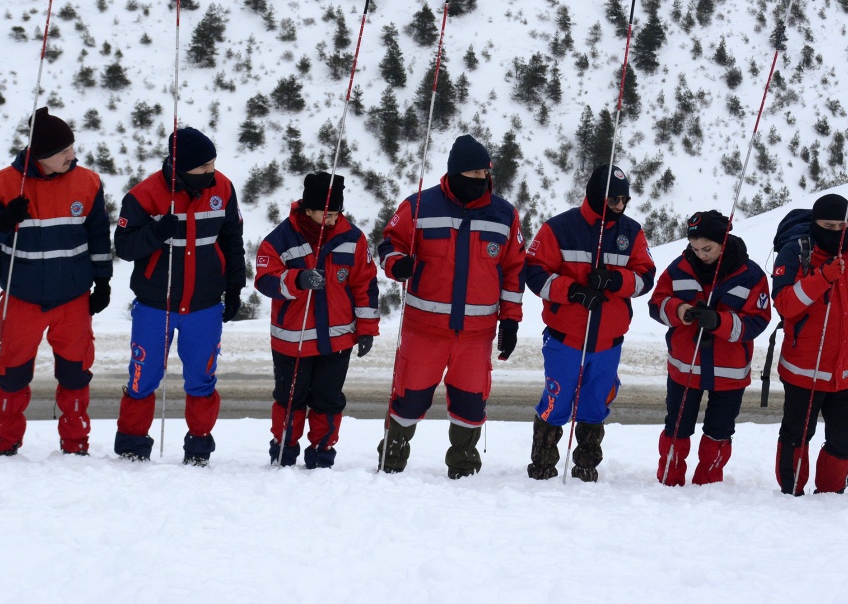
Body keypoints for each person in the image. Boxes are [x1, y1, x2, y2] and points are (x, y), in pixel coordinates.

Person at [376, 134, 526, 478]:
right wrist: (397, 264)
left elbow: (514, 270)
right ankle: (392, 460)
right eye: (473, 174)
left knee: (471, 404)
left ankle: (463, 466)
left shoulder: (504, 215)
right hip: (423, 330)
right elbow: (389, 244)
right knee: (408, 399)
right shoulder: (418, 206)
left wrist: (511, 321)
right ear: (455, 172)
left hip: (476, 334)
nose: (481, 180)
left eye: (485, 173)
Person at [0, 107, 113, 456]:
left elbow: (98, 237)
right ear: (41, 155)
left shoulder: (89, 182)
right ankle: (4, 444)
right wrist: (3, 221)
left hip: (73, 298)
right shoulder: (3, 184)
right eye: (63, 151)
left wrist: (103, 282)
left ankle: (76, 444)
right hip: (22, 298)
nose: (72, 155)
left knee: (76, 375)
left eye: (71, 147)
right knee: (12, 374)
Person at [111, 127, 245, 465]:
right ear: (180, 166)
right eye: (203, 167)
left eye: (213, 164)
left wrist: (234, 287)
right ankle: (132, 443)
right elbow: (124, 247)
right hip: (156, 305)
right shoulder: (144, 195)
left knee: (202, 377)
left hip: (204, 305)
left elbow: (232, 241)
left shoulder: (223, 189)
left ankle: (199, 447)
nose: (210, 172)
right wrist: (157, 232)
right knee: (143, 377)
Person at [522, 164, 654, 481]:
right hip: (565, 339)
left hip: (608, 343)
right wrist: (574, 292)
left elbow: (645, 277)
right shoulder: (559, 228)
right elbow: (535, 274)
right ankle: (543, 462)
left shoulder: (632, 233)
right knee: (556, 401)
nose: (620, 207)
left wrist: (614, 281)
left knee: (596, 405)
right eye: (613, 201)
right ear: (596, 196)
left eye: (625, 200)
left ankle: (587, 463)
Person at [771, 192, 848, 494]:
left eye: (843, 226)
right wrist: (822, 277)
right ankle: (790, 494)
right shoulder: (796, 251)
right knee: (797, 435)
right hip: (804, 371)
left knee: (846, 439)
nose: (837, 233)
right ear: (815, 223)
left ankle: (830, 497)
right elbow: (785, 304)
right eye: (828, 226)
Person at [254, 172, 379, 468]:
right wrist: (298, 279)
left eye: (336, 214)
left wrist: (366, 330)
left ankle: (322, 453)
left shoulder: (353, 238)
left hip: (337, 340)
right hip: (291, 340)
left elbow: (365, 286)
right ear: (307, 209)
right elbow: (265, 280)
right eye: (326, 214)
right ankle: (284, 451)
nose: (332, 220)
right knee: (290, 399)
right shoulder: (281, 238)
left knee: (328, 401)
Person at [648, 209, 770, 486]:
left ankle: (708, 483)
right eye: (694, 247)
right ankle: (669, 479)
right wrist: (679, 310)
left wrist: (719, 321)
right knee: (677, 427)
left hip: (729, 373)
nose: (701, 254)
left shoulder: (751, 276)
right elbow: (657, 303)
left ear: (723, 241)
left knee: (719, 430)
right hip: (685, 366)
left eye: (707, 248)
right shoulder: (679, 268)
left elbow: (758, 320)